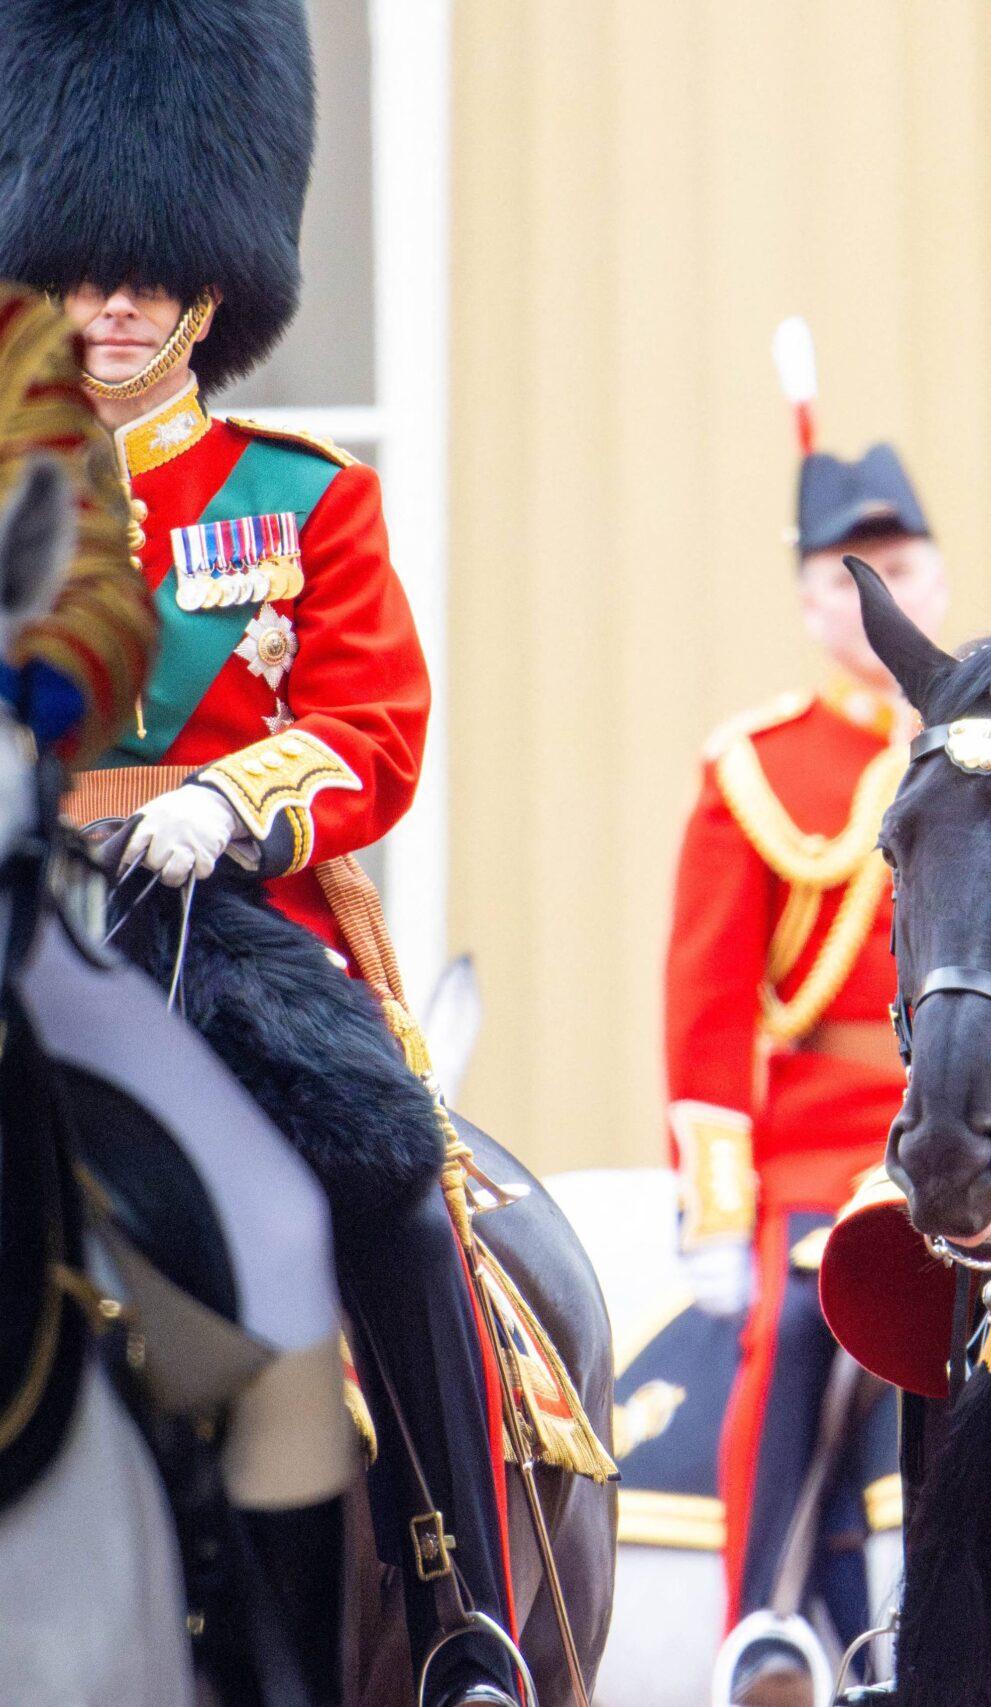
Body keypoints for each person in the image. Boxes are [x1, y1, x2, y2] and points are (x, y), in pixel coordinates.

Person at [0, 5, 540, 1702]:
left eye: (143, 277)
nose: (108, 306)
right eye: (83, 271)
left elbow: (378, 724)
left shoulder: (304, 500)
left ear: (210, 289)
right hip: (26, 905)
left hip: (219, 919)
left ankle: (464, 1613)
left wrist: (232, 801)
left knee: (385, 1159)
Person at [668, 337, 946, 1706]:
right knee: (795, 1328)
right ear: (811, 597)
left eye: (909, 567)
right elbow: (710, 1002)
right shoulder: (762, 764)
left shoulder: (986, 735)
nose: (891, 591)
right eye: (862, 571)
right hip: (818, 1140)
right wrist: (718, 1218)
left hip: (982, 1124)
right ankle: (766, 1628)